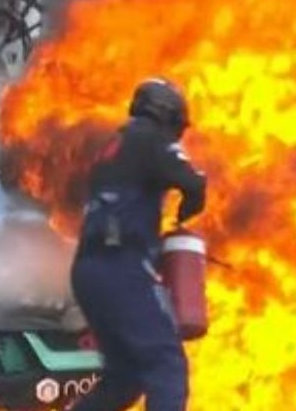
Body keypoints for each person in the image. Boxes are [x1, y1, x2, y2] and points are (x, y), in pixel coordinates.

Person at [67, 78, 207, 411]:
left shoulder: (113, 144)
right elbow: (194, 181)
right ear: (166, 115)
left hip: (89, 269)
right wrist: (189, 208)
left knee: (124, 378)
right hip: (122, 266)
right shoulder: (150, 137)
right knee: (166, 364)